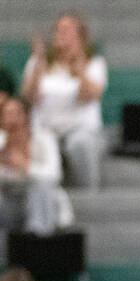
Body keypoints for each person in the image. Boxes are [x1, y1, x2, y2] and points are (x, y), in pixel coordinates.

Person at [20, 13, 107, 190]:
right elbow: (30, 99)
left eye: (66, 30)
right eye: (57, 30)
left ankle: (89, 194)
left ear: (80, 36)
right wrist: (38, 63)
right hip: (45, 128)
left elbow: (87, 97)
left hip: (80, 129)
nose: (60, 34)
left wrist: (79, 65)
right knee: (44, 146)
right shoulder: (37, 63)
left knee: (80, 143)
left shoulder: (94, 64)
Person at [0, 96, 67, 236]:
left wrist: (25, 166)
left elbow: (53, 175)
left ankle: (37, 240)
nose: (10, 119)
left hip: (38, 200)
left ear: (26, 116)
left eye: (14, 113)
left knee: (42, 186)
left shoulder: (44, 139)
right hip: (8, 201)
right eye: (5, 114)